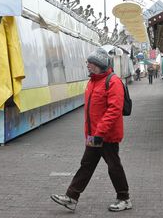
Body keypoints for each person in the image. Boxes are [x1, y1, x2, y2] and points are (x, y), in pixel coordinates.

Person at [51, 47, 132, 212]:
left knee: (113, 165)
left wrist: (99, 132)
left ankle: (124, 198)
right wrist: (91, 134)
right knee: (86, 164)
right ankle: (71, 197)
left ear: (99, 64)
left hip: (106, 135)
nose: (87, 65)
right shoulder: (93, 81)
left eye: (90, 63)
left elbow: (114, 110)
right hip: (94, 134)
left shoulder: (113, 81)